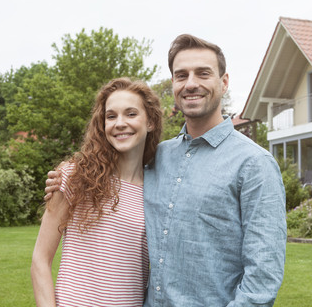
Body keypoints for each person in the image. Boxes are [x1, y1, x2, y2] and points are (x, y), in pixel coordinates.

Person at [46, 34, 286, 307]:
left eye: (203, 73)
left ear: (224, 82)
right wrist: (67, 177)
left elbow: (262, 278)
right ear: (173, 84)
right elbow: (113, 166)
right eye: (181, 75)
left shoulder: (255, 164)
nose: (191, 83)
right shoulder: (157, 157)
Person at [31, 77, 162, 307]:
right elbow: (40, 260)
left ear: (150, 121)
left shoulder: (159, 190)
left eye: (131, 114)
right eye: (111, 116)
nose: (119, 123)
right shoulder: (74, 176)